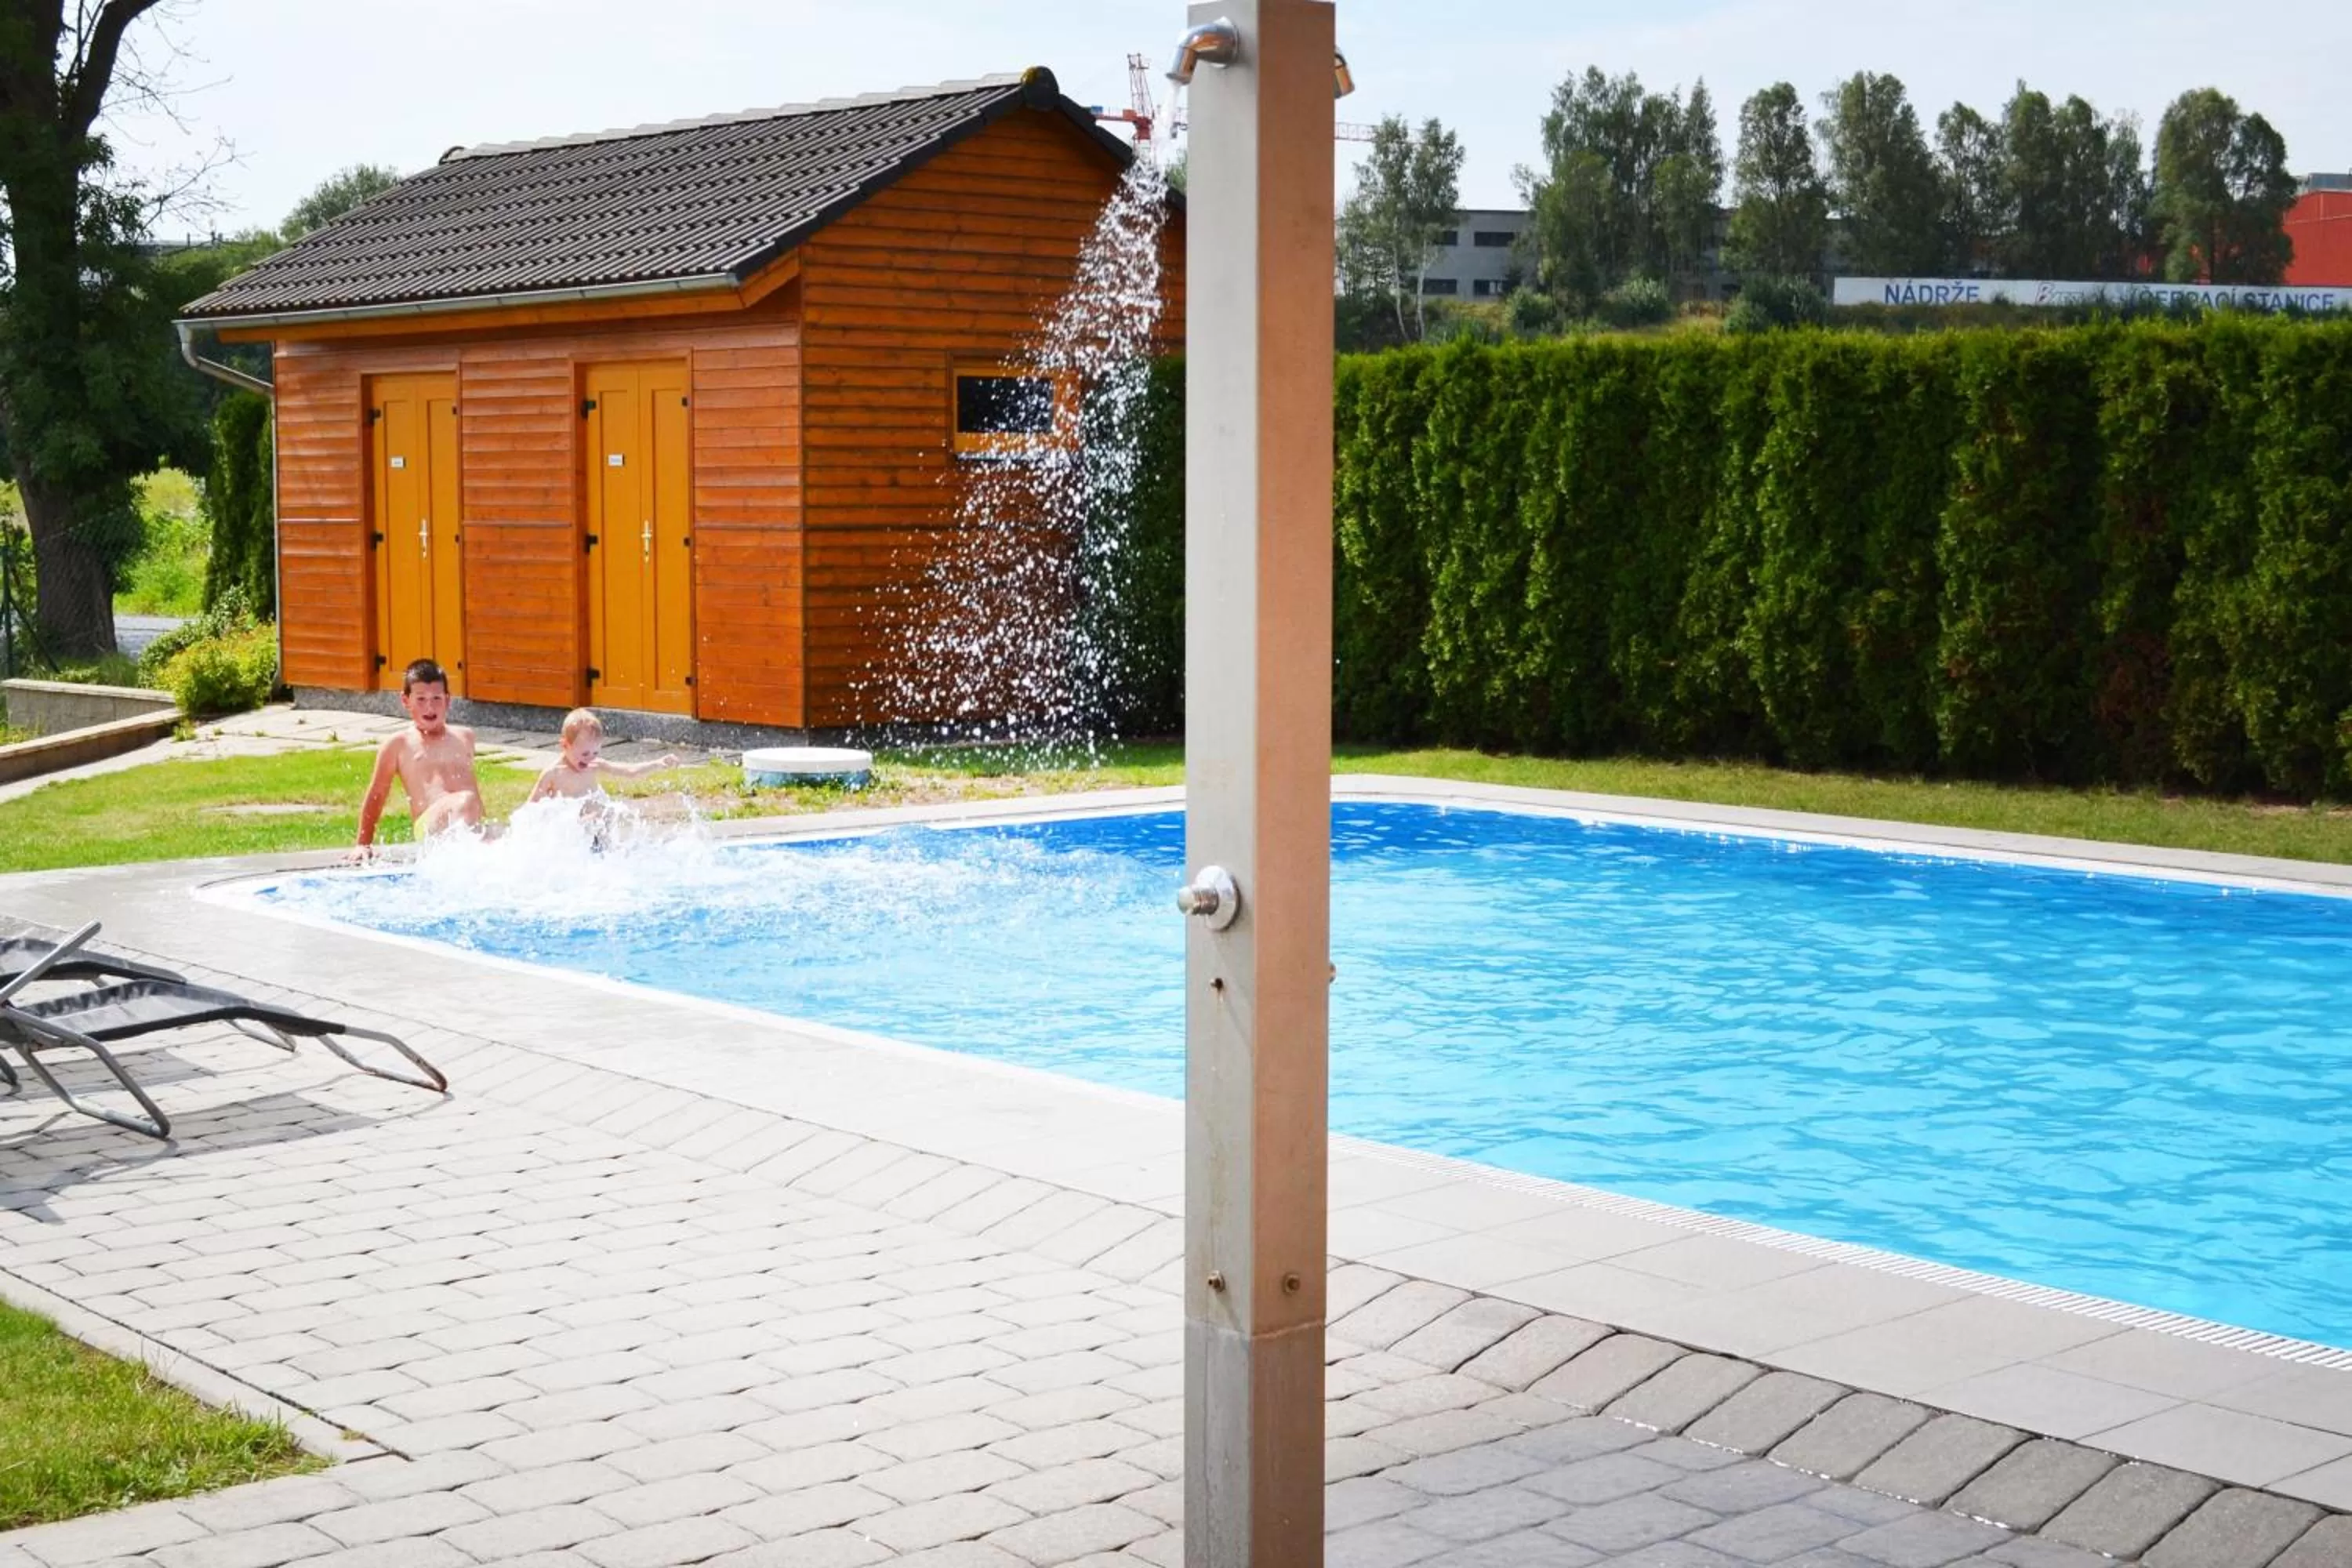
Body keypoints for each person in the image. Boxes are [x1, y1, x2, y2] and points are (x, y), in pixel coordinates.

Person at [350, 659, 483, 859]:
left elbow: (471, 786)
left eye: (437, 698)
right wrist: (363, 844)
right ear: (406, 701)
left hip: (467, 819)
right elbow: (377, 794)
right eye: (421, 699)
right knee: (466, 800)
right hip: (429, 826)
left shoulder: (465, 737)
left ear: (448, 700)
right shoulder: (399, 744)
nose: (430, 707)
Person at [528, 708, 679, 808]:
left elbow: (629, 771)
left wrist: (657, 763)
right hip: (570, 834)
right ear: (565, 745)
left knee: (607, 813)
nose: (590, 759)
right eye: (585, 754)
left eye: (595, 753)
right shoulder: (553, 773)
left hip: (595, 831)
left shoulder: (595, 765)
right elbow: (531, 807)